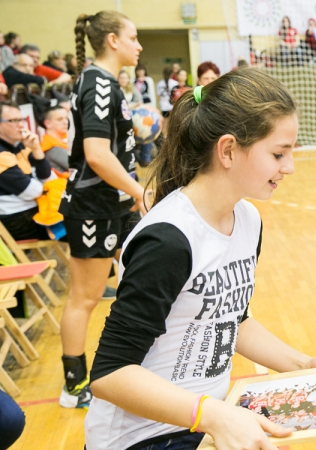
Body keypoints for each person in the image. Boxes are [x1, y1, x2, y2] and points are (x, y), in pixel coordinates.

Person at [84, 68, 316, 450]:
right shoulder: (169, 239)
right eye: (278, 154)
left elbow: (231, 318)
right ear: (227, 150)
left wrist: (301, 365)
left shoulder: (247, 219)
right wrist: (213, 415)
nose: (289, 167)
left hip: (199, 419)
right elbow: (110, 374)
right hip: (145, 436)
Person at [58, 10, 147, 409]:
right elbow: (95, 155)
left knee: (146, 276)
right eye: (133, 37)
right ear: (112, 40)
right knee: (85, 297)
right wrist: (138, 191)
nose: (139, 45)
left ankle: (133, 366)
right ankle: (74, 385)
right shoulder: (97, 84)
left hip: (117, 202)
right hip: (93, 206)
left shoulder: (108, 83)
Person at [0, 100, 53, 241]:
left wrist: (37, 150)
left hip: (32, 211)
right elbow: (31, 191)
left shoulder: (21, 145)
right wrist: (45, 188)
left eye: (21, 119)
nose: (21, 125)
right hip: (15, 221)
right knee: (82, 221)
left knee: (87, 217)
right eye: (13, 120)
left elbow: (49, 179)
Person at [40, 105, 70, 173]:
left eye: (67, 118)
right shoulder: (53, 148)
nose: (65, 122)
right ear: (48, 124)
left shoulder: (63, 141)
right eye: (60, 119)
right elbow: (78, 167)